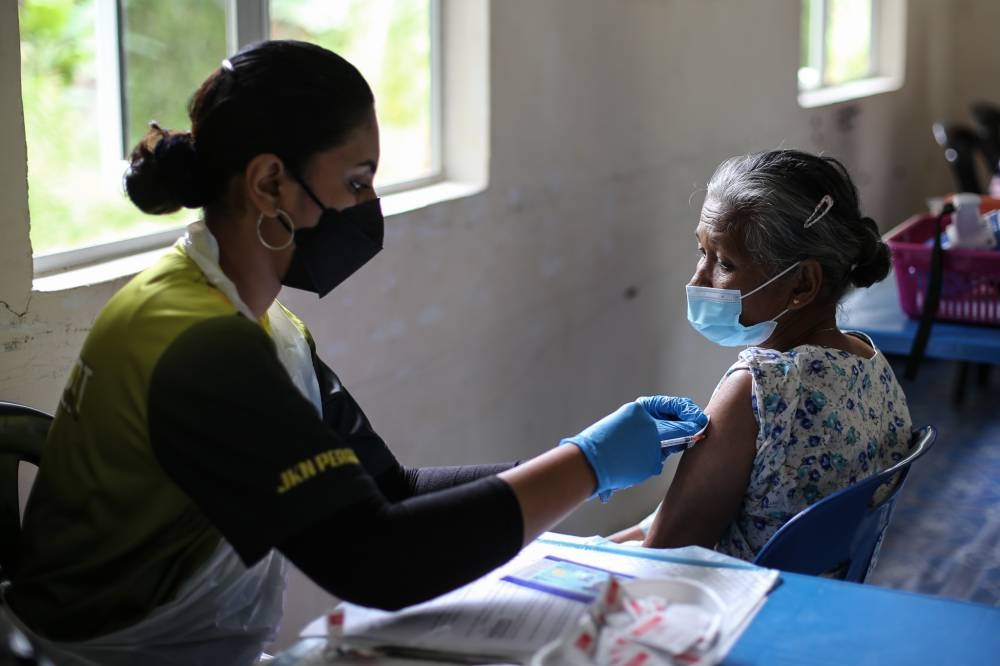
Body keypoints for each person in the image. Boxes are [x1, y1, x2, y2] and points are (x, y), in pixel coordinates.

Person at [3, 40, 706, 666]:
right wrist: (584, 469)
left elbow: (387, 486)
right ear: (270, 183)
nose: (368, 207)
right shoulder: (200, 346)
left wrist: (575, 457)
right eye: (357, 182)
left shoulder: (260, 325)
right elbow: (375, 560)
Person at [609, 150, 913, 561]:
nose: (699, 279)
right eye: (703, 252)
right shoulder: (871, 364)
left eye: (726, 262)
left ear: (802, 284)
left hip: (737, 609)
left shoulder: (762, 389)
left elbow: (665, 555)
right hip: (818, 601)